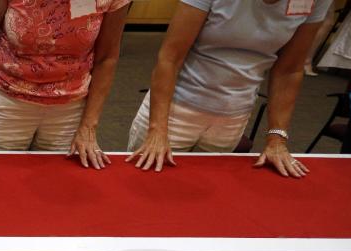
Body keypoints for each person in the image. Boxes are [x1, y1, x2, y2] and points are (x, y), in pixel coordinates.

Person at [128, 0, 331, 178]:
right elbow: (169, 58)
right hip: (175, 110)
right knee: (147, 190)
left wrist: (277, 138)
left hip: (233, 116)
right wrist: (157, 130)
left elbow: (289, 71)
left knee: (205, 200)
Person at [0, 0, 131, 169]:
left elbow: (107, 58)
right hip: (7, 102)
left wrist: (89, 125)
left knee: (57, 180)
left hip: (69, 108)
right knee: (0, 177)